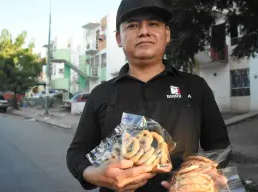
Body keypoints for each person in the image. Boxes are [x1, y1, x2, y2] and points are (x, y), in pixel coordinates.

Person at [66, 0, 231, 191]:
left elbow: (220, 146)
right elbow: (76, 153)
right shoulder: (101, 94)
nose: (144, 31)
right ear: (119, 38)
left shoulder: (195, 87)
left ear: (167, 34)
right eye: (133, 25)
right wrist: (95, 175)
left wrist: (208, 175)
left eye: (153, 24)